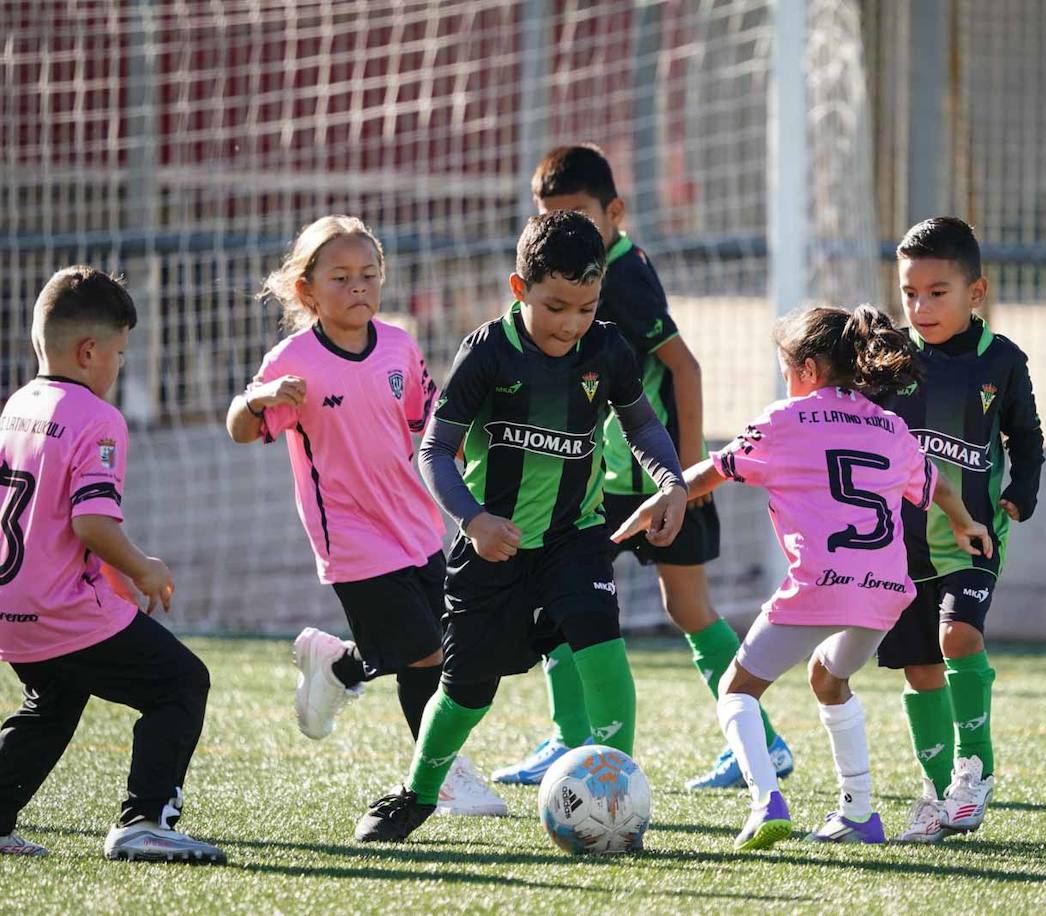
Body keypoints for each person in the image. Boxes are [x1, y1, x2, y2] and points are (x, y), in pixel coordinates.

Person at [353, 210, 687, 843]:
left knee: (601, 647)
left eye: (585, 308)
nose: (570, 324)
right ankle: (419, 793)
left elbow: (642, 425)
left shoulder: (607, 349)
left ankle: (620, 799)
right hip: (494, 549)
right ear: (519, 288)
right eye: (555, 306)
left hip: (574, 538)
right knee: (468, 690)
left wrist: (671, 482)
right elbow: (434, 450)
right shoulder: (486, 352)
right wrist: (474, 519)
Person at [616, 305, 991, 850]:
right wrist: (965, 525)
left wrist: (661, 497)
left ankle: (765, 801)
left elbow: (713, 471)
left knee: (737, 692)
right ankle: (859, 813)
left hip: (819, 587)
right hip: (886, 595)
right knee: (829, 679)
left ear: (809, 369)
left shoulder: (783, 421)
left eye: (786, 369)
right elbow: (939, 487)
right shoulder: (890, 426)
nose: (785, 381)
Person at [493, 144, 792, 790]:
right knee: (563, 601)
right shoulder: (580, 270)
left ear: (615, 212)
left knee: (688, 610)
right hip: (600, 481)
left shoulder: (620, 276)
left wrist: (683, 476)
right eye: (549, 215)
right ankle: (570, 738)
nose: (564, 228)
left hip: (653, 482)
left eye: (577, 213)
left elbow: (684, 366)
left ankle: (763, 742)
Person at [225, 215, 503, 818]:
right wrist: (260, 399)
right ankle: (443, 776)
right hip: (349, 537)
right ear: (307, 291)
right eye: (341, 277)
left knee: (427, 646)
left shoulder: (400, 345)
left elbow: (424, 425)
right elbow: (241, 429)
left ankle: (339, 663)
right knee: (425, 653)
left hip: (416, 525)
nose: (358, 287)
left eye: (369, 275)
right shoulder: (293, 360)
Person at [0, 267, 224, 862]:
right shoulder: (98, 419)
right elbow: (91, 524)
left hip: (11, 604)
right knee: (180, 682)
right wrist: (144, 567)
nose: (120, 366)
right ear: (90, 350)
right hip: (59, 606)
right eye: (121, 353)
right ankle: (143, 822)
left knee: (52, 701)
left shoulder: (19, 403)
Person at [879, 217, 1044, 842]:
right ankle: (936, 789)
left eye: (937, 292)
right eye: (909, 293)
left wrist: (1020, 494)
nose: (920, 307)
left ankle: (976, 769)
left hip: (973, 536)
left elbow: (1025, 437)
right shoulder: (888, 359)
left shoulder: (1001, 361)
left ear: (976, 292)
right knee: (920, 666)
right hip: (896, 544)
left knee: (958, 635)